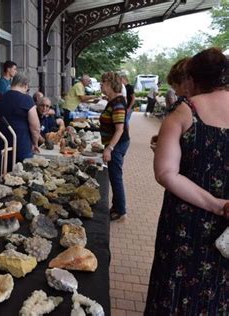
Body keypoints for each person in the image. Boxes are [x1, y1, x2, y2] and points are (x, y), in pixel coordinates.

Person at [145, 47, 229, 314]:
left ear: (192, 79)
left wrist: (216, 204)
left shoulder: (185, 110)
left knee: (174, 289)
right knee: (218, 290)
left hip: (185, 222)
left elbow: (165, 173)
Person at [0, 72, 40, 169]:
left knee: (4, 178)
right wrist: (35, 143)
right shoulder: (27, 100)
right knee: (23, 178)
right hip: (23, 146)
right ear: (25, 85)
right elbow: (35, 127)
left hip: (3, 147)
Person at [99, 72, 130, 222]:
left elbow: (119, 129)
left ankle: (121, 211)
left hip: (117, 145)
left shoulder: (117, 103)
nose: (101, 86)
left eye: (103, 83)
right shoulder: (114, 100)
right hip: (116, 143)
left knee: (115, 177)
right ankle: (116, 206)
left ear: (110, 84)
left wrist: (109, 148)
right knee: (114, 176)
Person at [150, 57, 193, 151]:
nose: (176, 93)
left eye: (176, 87)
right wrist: (168, 139)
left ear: (188, 83)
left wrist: (164, 148)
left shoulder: (182, 108)